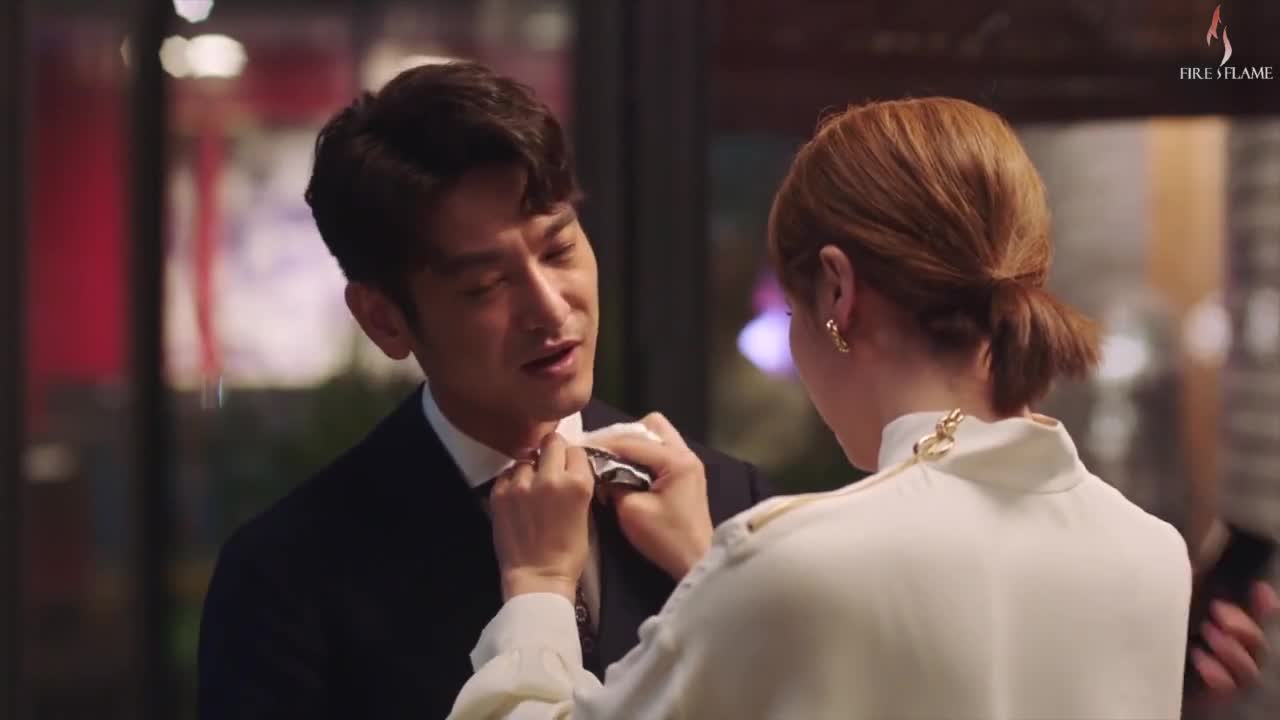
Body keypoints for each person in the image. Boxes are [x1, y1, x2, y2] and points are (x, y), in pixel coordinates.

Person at [448, 97, 1280, 719]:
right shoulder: (1149, 556)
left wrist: (539, 587)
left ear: (838, 292)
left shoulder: (794, 564)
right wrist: (712, 569)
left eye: (791, 309)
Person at [195, 62, 769, 719]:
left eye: (558, 250)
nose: (551, 308)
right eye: (486, 286)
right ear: (384, 320)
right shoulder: (288, 578)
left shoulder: (727, 504)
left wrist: (712, 577)